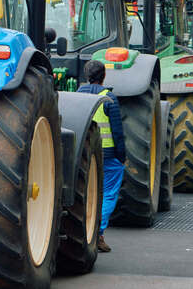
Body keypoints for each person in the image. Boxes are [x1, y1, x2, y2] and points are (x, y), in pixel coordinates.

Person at [77, 60, 125, 253]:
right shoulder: (109, 98)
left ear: (86, 75)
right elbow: (117, 132)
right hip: (108, 156)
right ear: (104, 76)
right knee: (108, 194)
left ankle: (83, 231)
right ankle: (99, 233)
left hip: (83, 154)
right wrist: (122, 157)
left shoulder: (76, 95)